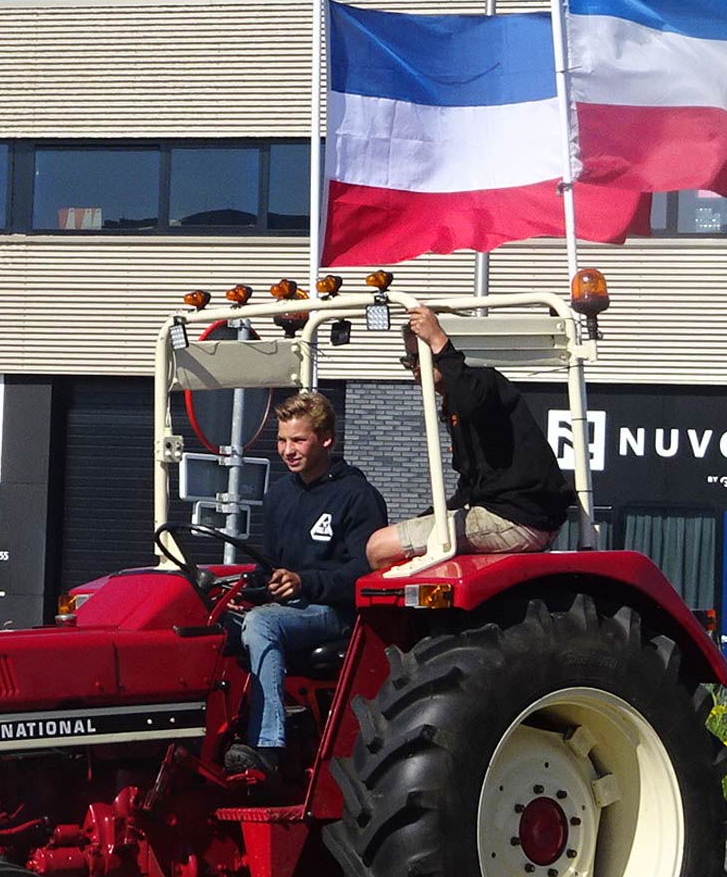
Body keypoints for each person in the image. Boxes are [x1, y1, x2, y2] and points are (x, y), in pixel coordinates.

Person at [225, 390, 387, 783]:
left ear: (326, 439)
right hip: (290, 608)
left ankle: (267, 747)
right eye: (282, 440)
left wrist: (304, 583)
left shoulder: (357, 497)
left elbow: (365, 573)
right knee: (213, 623)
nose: (287, 450)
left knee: (262, 624)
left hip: (336, 612)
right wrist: (251, 588)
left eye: (298, 440)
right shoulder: (279, 495)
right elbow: (270, 565)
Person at [366, 304, 570, 570]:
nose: (415, 367)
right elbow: (469, 486)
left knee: (379, 548)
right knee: (402, 537)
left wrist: (438, 340)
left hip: (517, 517)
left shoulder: (482, 383)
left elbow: (470, 401)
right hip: (506, 512)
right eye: (409, 360)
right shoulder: (458, 401)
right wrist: (424, 518)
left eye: (420, 356)